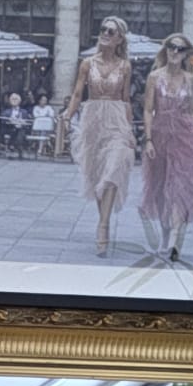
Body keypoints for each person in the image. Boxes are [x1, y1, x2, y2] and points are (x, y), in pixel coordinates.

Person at [60, 15, 136, 253]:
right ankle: (104, 220)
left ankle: (102, 226)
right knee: (97, 174)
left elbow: (126, 98)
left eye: (111, 31)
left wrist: (130, 129)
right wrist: (68, 115)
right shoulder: (87, 63)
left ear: (119, 39)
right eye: (103, 29)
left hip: (116, 119)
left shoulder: (125, 66)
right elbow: (77, 94)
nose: (105, 33)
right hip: (92, 119)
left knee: (114, 167)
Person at [140, 33, 193, 261]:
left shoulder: (190, 78)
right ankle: (166, 232)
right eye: (171, 47)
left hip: (185, 137)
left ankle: (176, 238)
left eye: (180, 48)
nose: (175, 52)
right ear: (165, 49)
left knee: (180, 186)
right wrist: (148, 139)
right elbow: (148, 110)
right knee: (159, 188)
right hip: (160, 135)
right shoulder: (154, 77)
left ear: (186, 54)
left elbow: (191, 111)